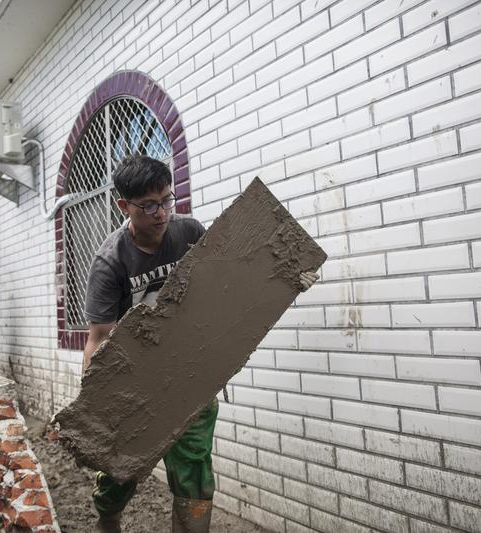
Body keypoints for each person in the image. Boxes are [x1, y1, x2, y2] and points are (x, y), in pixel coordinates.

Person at [83, 155, 319, 533]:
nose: (161, 213)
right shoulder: (110, 262)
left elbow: (231, 280)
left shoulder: (189, 232)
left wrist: (286, 277)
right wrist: (94, 407)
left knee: (194, 471)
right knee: (119, 473)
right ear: (123, 206)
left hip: (189, 376)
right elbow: (98, 338)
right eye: (148, 205)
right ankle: (107, 517)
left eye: (166, 199)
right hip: (137, 384)